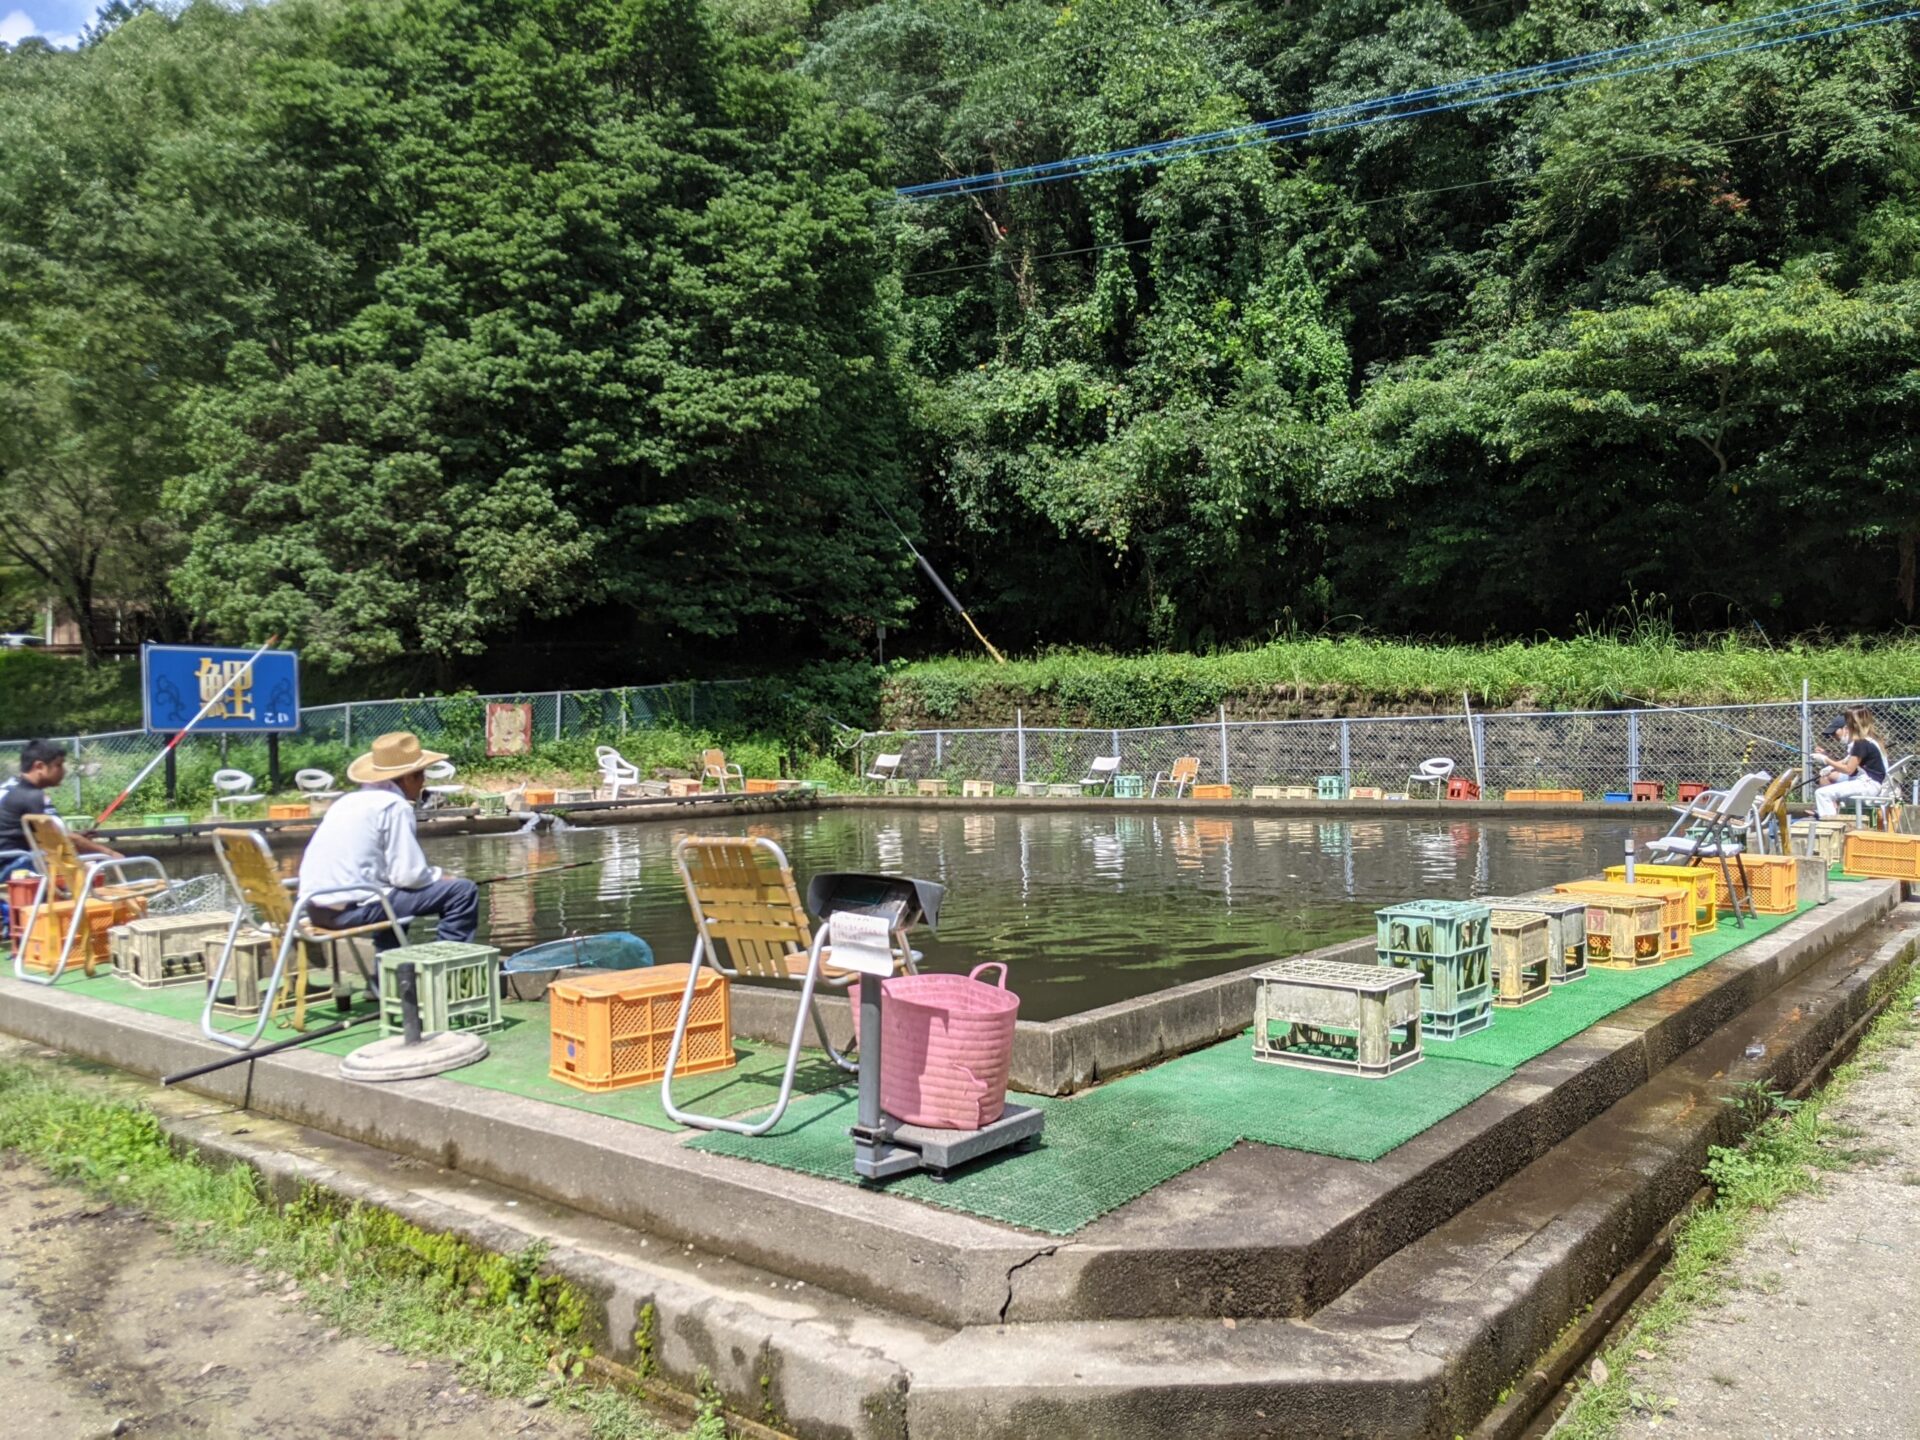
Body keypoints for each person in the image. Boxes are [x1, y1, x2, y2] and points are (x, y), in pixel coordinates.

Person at [298, 731, 479, 954]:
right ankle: (449, 966)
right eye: (421, 774)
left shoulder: (347, 801)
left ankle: (388, 973)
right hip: (347, 913)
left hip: (316, 909)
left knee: (394, 895)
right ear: (407, 777)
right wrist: (441, 877)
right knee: (462, 891)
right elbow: (408, 875)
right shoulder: (394, 806)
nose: (424, 781)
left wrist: (431, 878)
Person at [0, 739, 122, 880]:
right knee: (86, 873)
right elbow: (54, 840)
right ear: (39, 766)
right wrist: (109, 853)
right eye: (58, 765)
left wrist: (77, 840)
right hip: (13, 866)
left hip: (12, 861)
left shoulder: (20, 791)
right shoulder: (31, 796)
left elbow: (46, 836)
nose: (63, 771)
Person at [1811, 707, 1889, 820]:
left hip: (1867, 785)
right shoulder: (1869, 740)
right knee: (1826, 793)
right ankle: (1832, 820)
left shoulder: (1860, 743)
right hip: (1870, 784)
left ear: (1852, 724)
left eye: (1847, 720)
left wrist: (1826, 760)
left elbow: (1848, 769)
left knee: (1822, 793)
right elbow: (1848, 760)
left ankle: (1831, 826)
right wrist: (1830, 766)